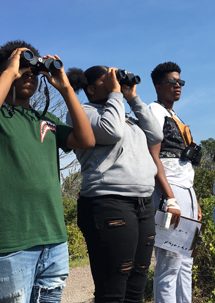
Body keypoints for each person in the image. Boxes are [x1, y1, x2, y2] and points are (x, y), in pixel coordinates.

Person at [0, 40, 95, 303]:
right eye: (22, 71)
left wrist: (66, 89)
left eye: (33, 73)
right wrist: (10, 70)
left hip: (53, 238)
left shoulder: (46, 120)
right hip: (7, 240)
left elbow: (86, 140)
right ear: (2, 75)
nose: (29, 76)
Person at [65, 66, 163, 303]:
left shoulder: (123, 113)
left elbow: (156, 135)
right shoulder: (83, 111)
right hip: (108, 201)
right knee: (113, 289)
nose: (114, 84)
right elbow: (111, 132)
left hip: (142, 203)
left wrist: (132, 97)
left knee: (137, 284)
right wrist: (117, 95)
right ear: (90, 89)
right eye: (107, 80)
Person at [148, 61, 202, 303]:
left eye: (180, 82)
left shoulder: (175, 115)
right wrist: (169, 198)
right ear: (159, 87)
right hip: (168, 190)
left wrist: (195, 201)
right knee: (169, 262)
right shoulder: (154, 110)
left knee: (186, 261)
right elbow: (153, 156)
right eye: (172, 82)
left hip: (186, 191)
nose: (178, 86)